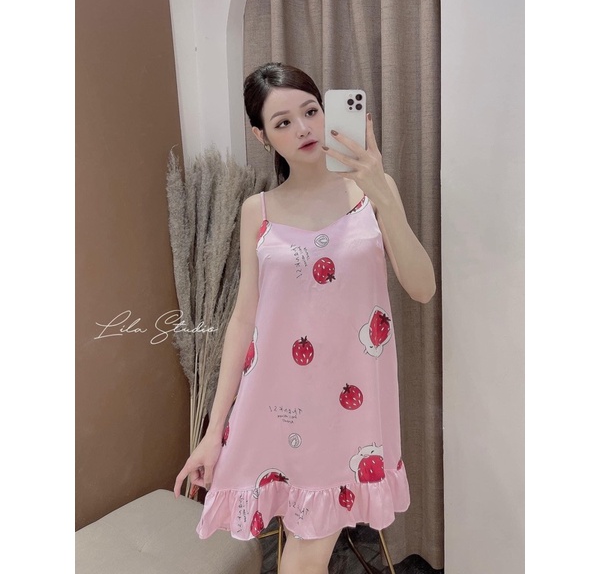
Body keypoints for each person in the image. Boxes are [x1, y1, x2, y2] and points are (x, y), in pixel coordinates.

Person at [174, 62, 436, 574]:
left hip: (350, 407)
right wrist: (213, 430)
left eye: (311, 111)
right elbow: (244, 320)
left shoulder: (372, 193)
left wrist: (383, 193)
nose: (303, 128)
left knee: (306, 548)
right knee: (303, 545)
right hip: (276, 403)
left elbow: (422, 288)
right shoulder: (258, 210)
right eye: (283, 122)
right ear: (261, 136)